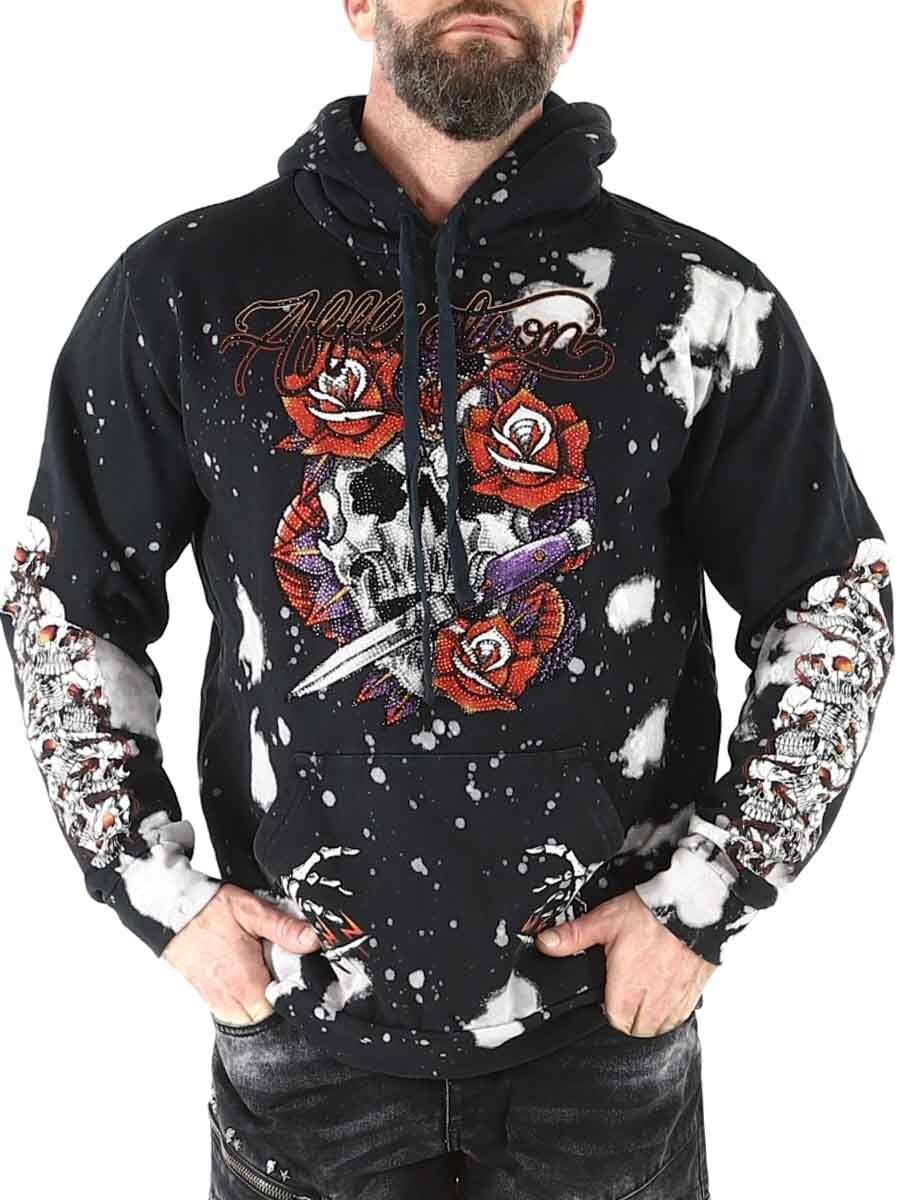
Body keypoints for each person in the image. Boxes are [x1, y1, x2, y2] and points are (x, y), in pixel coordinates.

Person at [1, 1, 893, 1196]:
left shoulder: (694, 303)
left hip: (602, 1038)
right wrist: (155, 893)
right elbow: (63, 601)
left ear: (572, 14)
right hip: (303, 1026)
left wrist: (710, 896)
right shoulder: (185, 290)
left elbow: (834, 601)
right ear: (359, 3)